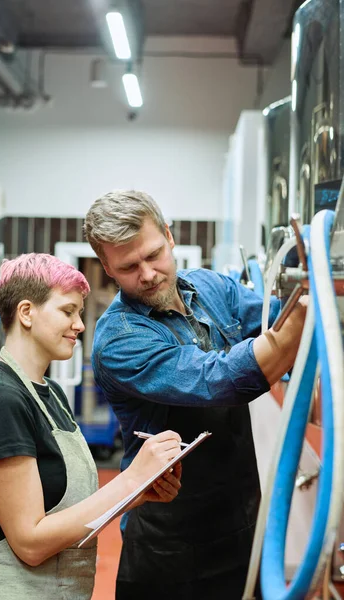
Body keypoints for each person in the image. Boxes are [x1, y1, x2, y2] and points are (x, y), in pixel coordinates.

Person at [84, 190, 308, 600]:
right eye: (129, 266)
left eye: (153, 254)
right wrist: (311, 303)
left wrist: (300, 288)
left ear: (169, 235)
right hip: (170, 545)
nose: (148, 274)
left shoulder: (208, 286)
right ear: (107, 267)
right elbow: (219, 380)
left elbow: (271, 315)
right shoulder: (120, 339)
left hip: (240, 519)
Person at [0, 253, 183, 600]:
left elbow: (67, 515)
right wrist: (128, 479)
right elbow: (30, 541)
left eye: (79, 313)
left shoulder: (51, 393)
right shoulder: (0, 399)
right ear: (27, 313)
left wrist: (139, 491)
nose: (80, 325)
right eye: (67, 311)